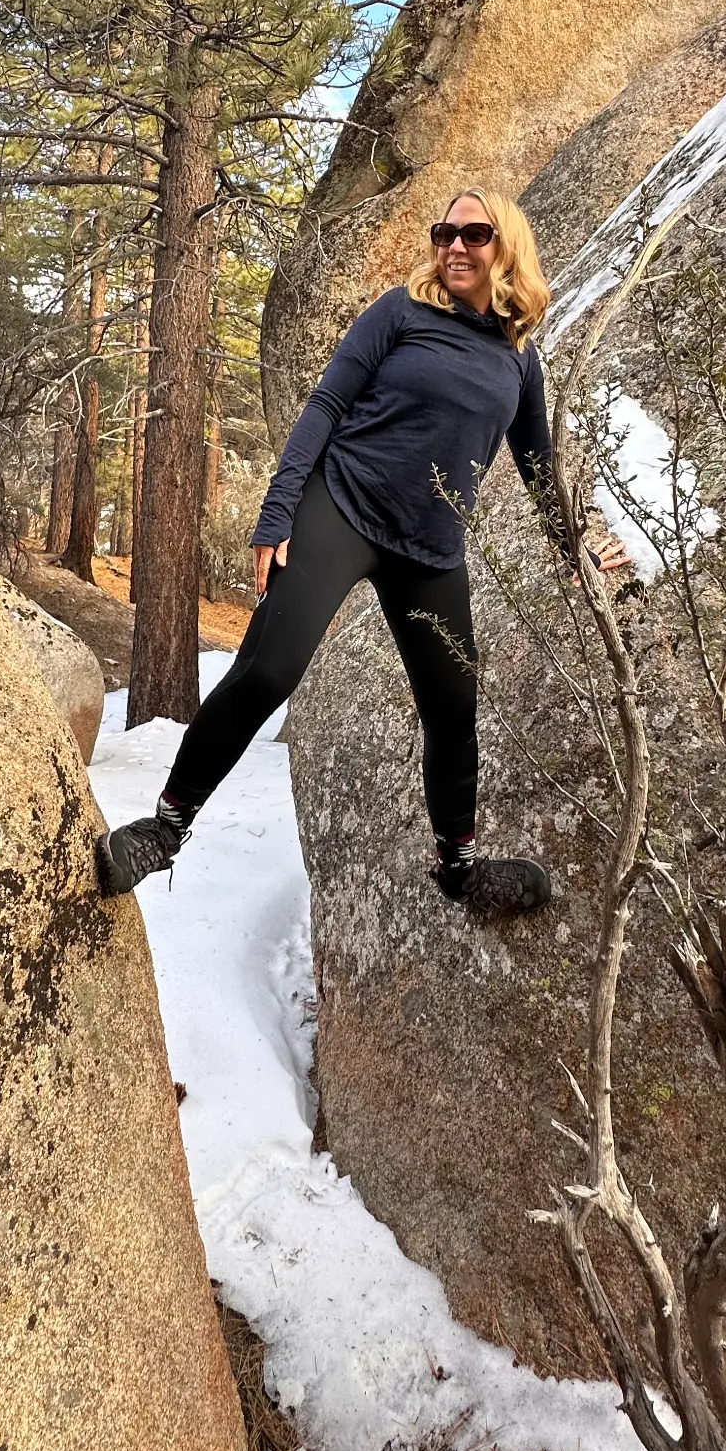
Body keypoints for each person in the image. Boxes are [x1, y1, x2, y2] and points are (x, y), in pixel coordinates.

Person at [94, 186, 625, 914]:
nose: (455, 247)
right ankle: (165, 828)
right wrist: (278, 512)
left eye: (474, 234)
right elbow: (327, 405)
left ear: (508, 248)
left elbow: (538, 467)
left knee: (452, 705)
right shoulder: (400, 312)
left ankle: (459, 868)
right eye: (446, 232)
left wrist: (578, 552)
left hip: (431, 549)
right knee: (268, 670)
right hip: (339, 507)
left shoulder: (519, 361)